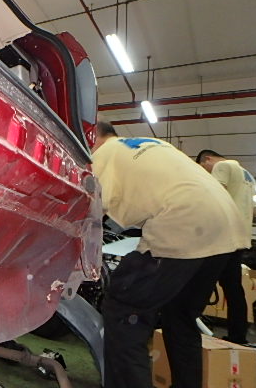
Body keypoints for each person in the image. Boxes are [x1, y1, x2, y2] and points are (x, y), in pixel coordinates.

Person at [92, 122, 247, 388]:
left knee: (125, 309)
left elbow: (91, 207)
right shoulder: (153, 144)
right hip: (226, 226)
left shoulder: (103, 154)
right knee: (180, 316)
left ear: (94, 136)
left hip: (186, 222)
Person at [196, 149, 256, 344]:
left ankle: (184, 329)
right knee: (234, 290)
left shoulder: (222, 166)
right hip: (240, 238)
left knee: (201, 283)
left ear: (207, 159)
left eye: (203, 168)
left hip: (222, 237)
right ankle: (238, 337)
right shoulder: (247, 174)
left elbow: (213, 199)